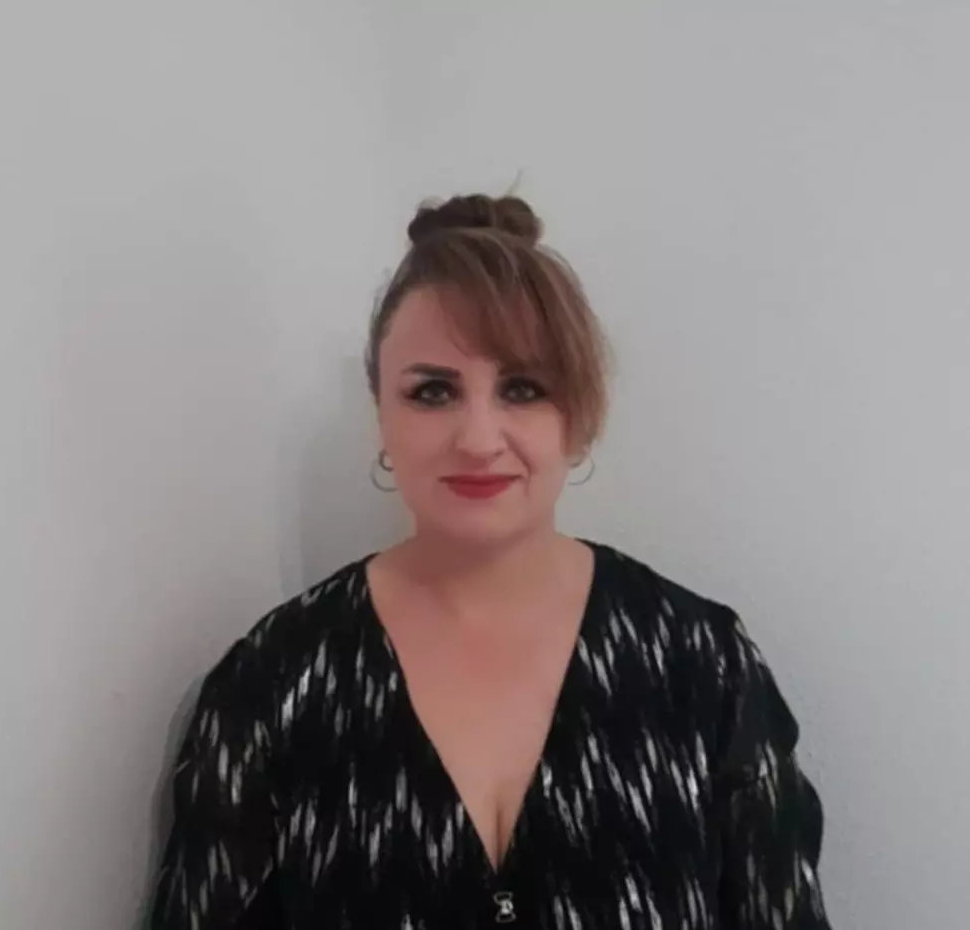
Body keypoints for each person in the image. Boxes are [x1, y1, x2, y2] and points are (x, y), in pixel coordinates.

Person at [150, 194, 832, 929]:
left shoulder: (702, 665)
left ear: (579, 416)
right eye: (433, 392)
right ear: (381, 416)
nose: (478, 438)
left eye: (523, 389)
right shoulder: (274, 681)